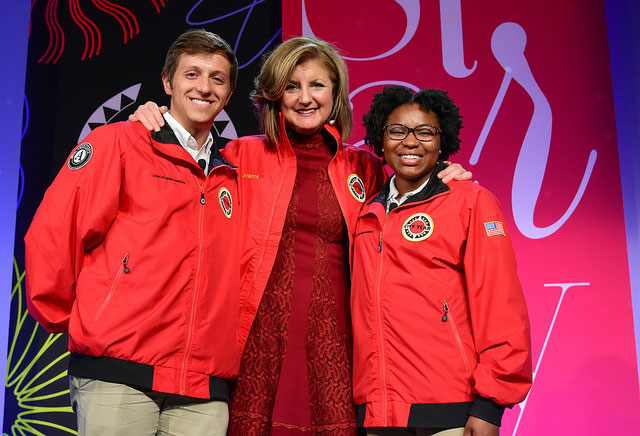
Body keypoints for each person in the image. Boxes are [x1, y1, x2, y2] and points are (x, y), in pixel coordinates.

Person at [131, 37, 471, 435]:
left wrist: (447, 175)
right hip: (256, 343)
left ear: (336, 93)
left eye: (317, 85)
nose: (305, 98)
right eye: (292, 86)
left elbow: (411, 191)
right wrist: (151, 118)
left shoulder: (365, 167)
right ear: (275, 96)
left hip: (337, 347)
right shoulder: (239, 156)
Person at [24, 29, 248, 436]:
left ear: (229, 94)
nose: (204, 87)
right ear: (168, 82)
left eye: (217, 79)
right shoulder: (117, 143)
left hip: (203, 385)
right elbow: (54, 233)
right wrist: (81, 321)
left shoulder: (234, 174)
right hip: (119, 372)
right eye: (192, 74)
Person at [350, 86, 532, 436]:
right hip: (378, 410)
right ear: (380, 137)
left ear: (441, 139)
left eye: (425, 132)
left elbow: (500, 304)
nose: (410, 142)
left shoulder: (471, 202)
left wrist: (490, 405)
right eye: (397, 131)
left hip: (451, 408)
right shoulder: (365, 211)